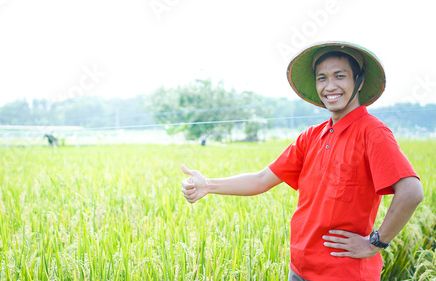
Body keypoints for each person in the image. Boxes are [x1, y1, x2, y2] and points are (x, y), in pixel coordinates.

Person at [180, 41, 423, 281]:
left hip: (343, 273)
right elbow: (262, 179)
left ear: (358, 82)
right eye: (322, 78)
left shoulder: (372, 132)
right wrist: (208, 185)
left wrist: (375, 243)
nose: (330, 86)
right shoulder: (311, 136)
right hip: (299, 268)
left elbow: (411, 191)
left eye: (340, 76)